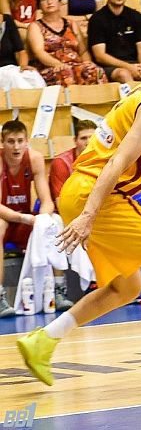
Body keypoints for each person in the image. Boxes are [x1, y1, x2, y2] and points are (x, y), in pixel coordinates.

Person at [17, 28, 141, 391]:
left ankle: (43, 340)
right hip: (97, 193)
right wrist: (89, 214)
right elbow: (118, 160)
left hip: (82, 190)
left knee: (127, 285)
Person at [0, 120, 72, 318]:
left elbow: (47, 201)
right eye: (11, 141)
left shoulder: (35, 159)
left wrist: (43, 219)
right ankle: (0, 297)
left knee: (54, 221)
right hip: (8, 218)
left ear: (27, 142)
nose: (16, 147)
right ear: (3, 143)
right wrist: (23, 218)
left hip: (25, 220)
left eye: (20, 141)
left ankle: (58, 290)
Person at [28, 0, 107, 86]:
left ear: (59, 2)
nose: (49, 2)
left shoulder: (71, 24)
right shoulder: (36, 26)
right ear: (39, 5)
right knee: (66, 73)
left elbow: (83, 51)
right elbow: (39, 52)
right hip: (51, 67)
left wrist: (88, 62)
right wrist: (58, 64)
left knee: (96, 71)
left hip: (76, 65)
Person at [49, 119, 97, 208]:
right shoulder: (61, 162)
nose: (88, 142)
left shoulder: (103, 159)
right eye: (83, 138)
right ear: (75, 140)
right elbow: (61, 204)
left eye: (92, 137)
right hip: (65, 211)